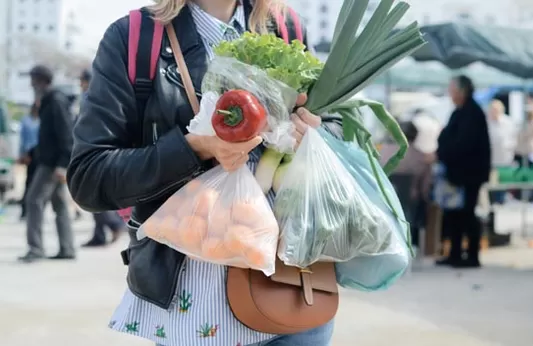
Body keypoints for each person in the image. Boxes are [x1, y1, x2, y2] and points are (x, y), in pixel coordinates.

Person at [67, 1, 340, 345]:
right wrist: (193, 149)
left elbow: (334, 125)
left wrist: (314, 134)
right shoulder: (137, 37)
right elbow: (89, 177)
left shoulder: (284, 28)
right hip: (197, 314)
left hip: (295, 294)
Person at [19, 65, 75, 263]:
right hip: (49, 161)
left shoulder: (55, 101)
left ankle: (35, 248)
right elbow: (48, 138)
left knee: (33, 201)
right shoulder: (48, 101)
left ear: (42, 80)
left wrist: (62, 165)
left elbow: (66, 135)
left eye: (33, 80)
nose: (31, 84)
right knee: (59, 204)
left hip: (52, 165)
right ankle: (67, 248)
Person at [435, 75, 491, 268]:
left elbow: (463, 144)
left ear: (461, 91)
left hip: (469, 174)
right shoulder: (460, 113)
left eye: (452, 90)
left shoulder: (472, 113)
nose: (450, 94)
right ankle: (455, 253)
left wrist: (444, 151)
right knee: (454, 215)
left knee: (467, 214)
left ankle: (472, 255)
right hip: (457, 174)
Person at [78, 68, 126, 248]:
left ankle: (114, 225)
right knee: (94, 195)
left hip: (96, 152)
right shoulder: (101, 94)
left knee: (93, 195)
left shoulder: (93, 97)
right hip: (98, 151)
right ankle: (99, 234)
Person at [486, 99, 517, 204]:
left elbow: (513, 138)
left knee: (503, 181)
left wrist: (508, 147)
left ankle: (501, 199)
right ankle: (493, 201)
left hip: (505, 157)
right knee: (492, 182)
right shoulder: (487, 122)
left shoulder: (508, 122)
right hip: (492, 158)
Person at [18, 101, 41, 220]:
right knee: (29, 182)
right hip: (30, 153)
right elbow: (23, 139)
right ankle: (24, 210)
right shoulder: (26, 121)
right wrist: (22, 154)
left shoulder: (41, 121)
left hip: (41, 154)